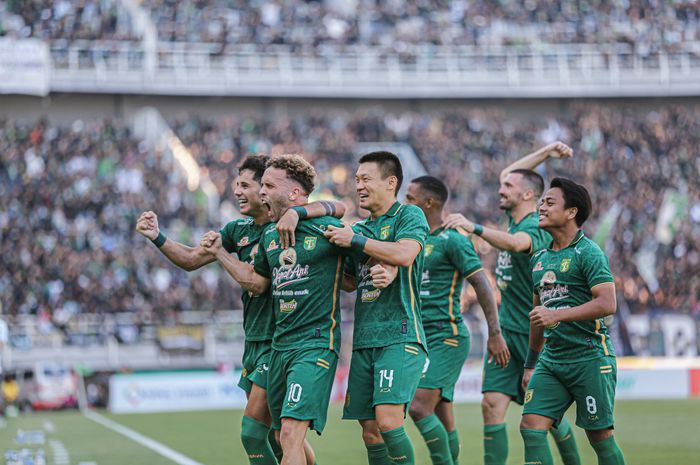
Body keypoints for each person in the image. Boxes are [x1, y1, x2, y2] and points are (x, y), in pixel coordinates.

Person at [136, 155, 346, 465]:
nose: (238, 191)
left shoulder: (293, 224)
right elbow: (193, 259)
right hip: (255, 339)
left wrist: (298, 212)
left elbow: (336, 208)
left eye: (247, 185)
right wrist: (157, 236)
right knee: (280, 436)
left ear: (266, 189)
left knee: (255, 432)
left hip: (283, 341)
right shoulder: (239, 230)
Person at [199, 154, 396, 465]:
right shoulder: (268, 234)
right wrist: (221, 254)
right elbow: (257, 281)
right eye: (260, 185)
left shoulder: (327, 227)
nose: (261, 191)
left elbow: (365, 260)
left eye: (268, 185)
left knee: (290, 433)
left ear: (293, 193)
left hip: (315, 345)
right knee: (278, 435)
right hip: (279, 347)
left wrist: (387, 271)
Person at [443, 142, 581, 465]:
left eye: (508, 187)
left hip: (537, 337)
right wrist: (546, 152)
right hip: (507, 332)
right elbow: (510, 172)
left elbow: (518, 245)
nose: (501, 188)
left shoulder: (534, 226)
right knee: (491, 404)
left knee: (548, 419)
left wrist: (473, 227)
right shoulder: (515, 219)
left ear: (528, 196)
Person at [324, 151, 429, 465]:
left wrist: (356, 242)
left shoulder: (408, 216)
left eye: (365, 178)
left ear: (391, 182)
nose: (358, 185)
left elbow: (405, 253)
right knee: (370, 432)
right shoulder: (361, 229)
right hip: (364, 342)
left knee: (388, 421)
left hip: (400, 335)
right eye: (356, 180)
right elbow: (350, 283)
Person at [404, 176, 510, 465]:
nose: (405, 203)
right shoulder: (410, 239)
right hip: (420, 337)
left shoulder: (452, 240)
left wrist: (495, 333)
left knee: (417, 407)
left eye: (410, 198)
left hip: (445, 336)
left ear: (429, 203)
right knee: (442, 414)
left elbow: (482, 284)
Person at [520, 177, 625, 465]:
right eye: (541, 202)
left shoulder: (588, 252)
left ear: (571, 212)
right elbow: (537, 316)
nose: (541, 207)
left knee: (600, 438)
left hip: (589, 357)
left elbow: (607, 303)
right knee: (530, 426)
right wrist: (530, 363)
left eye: (549, 202)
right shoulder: (539, 259)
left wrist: (556, 315)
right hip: (552, 361)